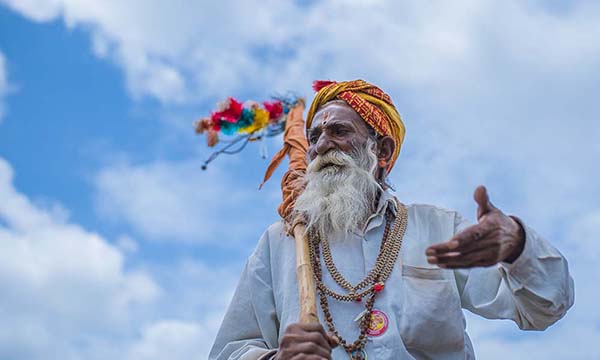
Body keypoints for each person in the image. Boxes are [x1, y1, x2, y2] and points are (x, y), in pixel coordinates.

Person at [208, 80, 574, 360]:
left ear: (381, 150)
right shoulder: (280, 242)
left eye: (339, 131)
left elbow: (544, 307)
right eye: (315, 136)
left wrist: (518, 247)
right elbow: (229, 350)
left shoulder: (437, 229)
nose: (321, 146)